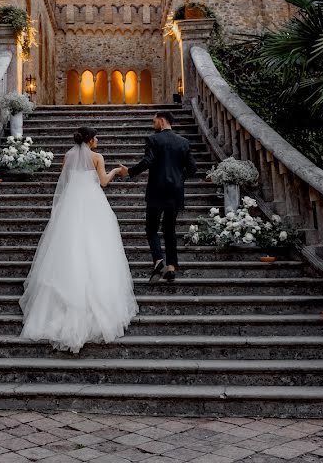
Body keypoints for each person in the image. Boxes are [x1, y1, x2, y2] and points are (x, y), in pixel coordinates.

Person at [20, 127, 138, 353]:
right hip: (92, 204)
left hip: (72, 205)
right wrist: (114, 171)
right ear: (90, 140)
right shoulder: (97, 157)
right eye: (96, 137)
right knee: (96, 248)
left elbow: (63, 181)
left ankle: (57, 308)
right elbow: (103, 182)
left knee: (68, 249)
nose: (98, 140)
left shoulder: (68, 155)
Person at [119, 111, 197, 282]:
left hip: (156, 191)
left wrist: (129, 171)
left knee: (151, 228)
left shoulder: (153, 140)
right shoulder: (183, 142)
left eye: (154, 121)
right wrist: (178, 178)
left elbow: (147, 161)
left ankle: (159, 260)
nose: (152, 124)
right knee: (170, 229)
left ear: (162, 121)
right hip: (175, 192)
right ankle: (171, 267)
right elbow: (192, 169)